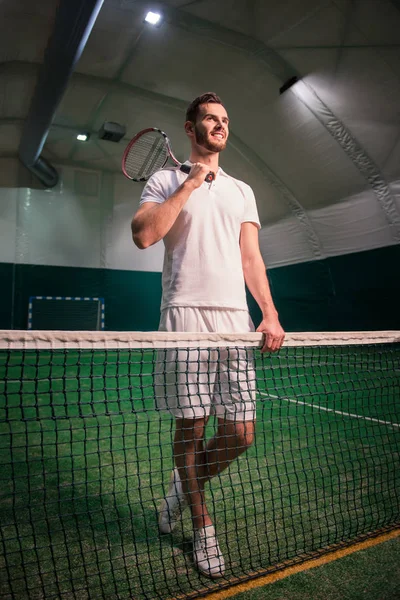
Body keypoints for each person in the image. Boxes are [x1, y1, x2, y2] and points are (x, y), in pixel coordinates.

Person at [131, 92, 285, 578]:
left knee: (240, 433)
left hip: (233, 323)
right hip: (185, 316)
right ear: (190, 128)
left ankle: (183, 485)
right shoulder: (164, 178)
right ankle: (202, 526)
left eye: (223, 120)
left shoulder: (242, 190)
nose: (219, 126)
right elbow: (143, 234)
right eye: (210, 119)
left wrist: (269, 312)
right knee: (192, 427)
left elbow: (251, 259)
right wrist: (190, 184)